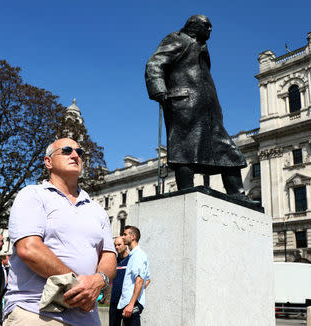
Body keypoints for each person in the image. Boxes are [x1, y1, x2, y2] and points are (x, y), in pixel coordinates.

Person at [3, 138, 117, 326]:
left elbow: (109, 256)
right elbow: (29, 248)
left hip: (87, 319)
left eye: (79, 153)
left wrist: (99, 280)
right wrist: (80, 287)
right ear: (48, 162)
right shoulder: (33, 195)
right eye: (66, 150)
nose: (75, 155)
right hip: (37, 313)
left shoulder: (97, 210)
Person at [145, 15, 256, 203]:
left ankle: (237, 194)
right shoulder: (177, 39)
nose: (210, 30)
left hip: (208, 111)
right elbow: (154, 63)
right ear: (194, 26)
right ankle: (186, 191)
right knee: (184, 148)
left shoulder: (202, 47)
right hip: (184, 104)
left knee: (228, 150)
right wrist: (158, 89)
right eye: (207, 26)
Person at [118, 226, 150, 326]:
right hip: (129, 304)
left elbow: (140, 280)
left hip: (131, 305)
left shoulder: (138, 255)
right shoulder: (133, 256)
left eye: (125, 234)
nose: (123, 237)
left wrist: (131, 304)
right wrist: (137, 291)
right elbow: (147, 280)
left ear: (133, 237)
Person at [109, 236, 130, 326]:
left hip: (127, 302)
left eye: (119, 245)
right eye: (115, 245)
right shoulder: (114, 261)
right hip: (114, 301)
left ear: (125, 245)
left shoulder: (132, 259)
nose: (116, 247)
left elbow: (145, 280)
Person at [0, 255, 10, 325]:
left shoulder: (6, 269)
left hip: (2, 292)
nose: (9, 260)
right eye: (8, 258)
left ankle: (2, 323)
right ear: (3, 259)